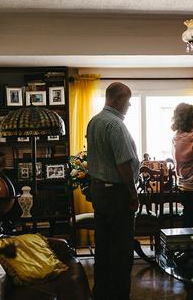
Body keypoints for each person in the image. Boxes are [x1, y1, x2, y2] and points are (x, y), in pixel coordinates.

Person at [86, 82, 140, 300]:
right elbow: (123, 164)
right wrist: (133, 193)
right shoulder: (115, 125)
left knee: (104, 244)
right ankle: (119, 295)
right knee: (121, 249)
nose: (129, 105)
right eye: (127, 100)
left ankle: (101, 292)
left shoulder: (94, 121)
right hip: (116, 193)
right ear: (117, 100)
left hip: (99, 190)